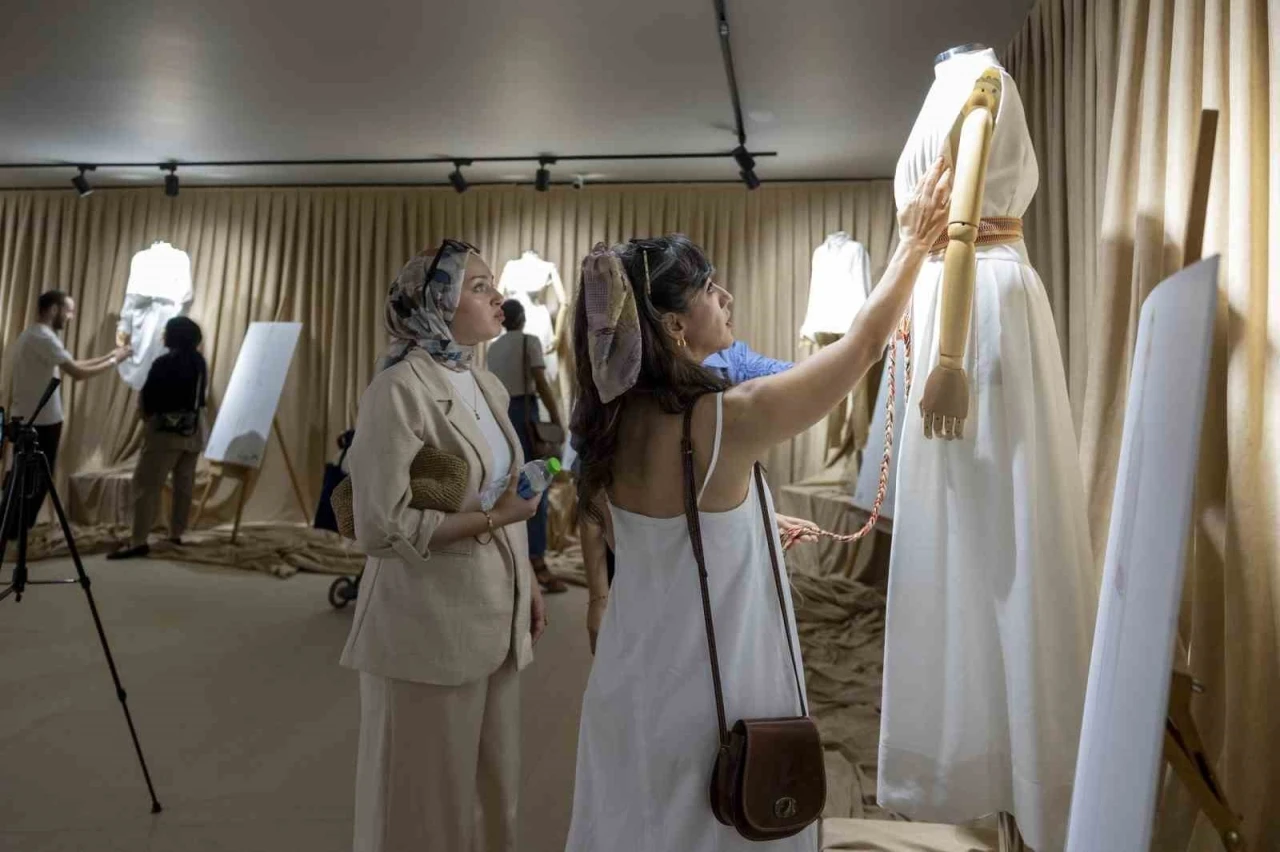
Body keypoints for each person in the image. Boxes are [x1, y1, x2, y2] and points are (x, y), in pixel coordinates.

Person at [564, 156, 951, 851]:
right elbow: (862, 346)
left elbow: (656, 533)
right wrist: (914, 243)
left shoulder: (610, 424)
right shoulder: (723, 419)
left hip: (632, 675)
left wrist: (755, 524)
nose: (727, 298)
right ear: (674, 324)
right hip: (712, 690)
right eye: (709, 289)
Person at [339, 240, 547, 852]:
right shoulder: (397, 389)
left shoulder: (485, 384)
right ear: (436, 302)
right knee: (424, 808)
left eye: (493, 284)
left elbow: (505, 492)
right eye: (479, 287)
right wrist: (494, 519)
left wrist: (528, 581)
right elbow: (381, 525)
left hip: (496, 617)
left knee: (492, 796)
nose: (497, 296)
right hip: (426, 626)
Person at [578, 337, 823, 652]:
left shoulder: (733, 359)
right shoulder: (626, 383)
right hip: (648, 571)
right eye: (711, 298)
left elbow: (805, 378)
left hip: (707, 580)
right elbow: (593, 500)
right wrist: (598, 599)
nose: (727, 308)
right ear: (675, 324)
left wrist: (755, 519)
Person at [3, 290, 129, 537]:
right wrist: (115, 362)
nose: (70, 316)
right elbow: (77, 373)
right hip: (39, 421)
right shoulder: (43, 337)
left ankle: (13, 530)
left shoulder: (37, 335)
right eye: (68, 311)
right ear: (54, 309)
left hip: (35, 418)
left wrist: (111, 356)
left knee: (28, 478)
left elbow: (73, 364)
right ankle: (14, 532)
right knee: (34, 481)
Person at [107, 317, 207, 560]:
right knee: (184, 486)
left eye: (166, 331)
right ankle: (175, 534)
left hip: (165, 434)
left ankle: (138, 540)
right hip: (193, 431)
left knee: (146, 486)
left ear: (174, 336)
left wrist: (147, 418)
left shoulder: (164, 363)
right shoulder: (199, 362)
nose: (163, 334)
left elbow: (149, 398)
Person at [486, 299, 568, 593]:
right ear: (522, 319)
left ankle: (508, 561)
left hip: (498, 417)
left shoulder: (493, 348)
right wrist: (557, 418)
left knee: (503, 487)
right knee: (535, 486)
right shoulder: (529, 341)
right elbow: (541, 382)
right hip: (524, 416)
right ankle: (537, 562)